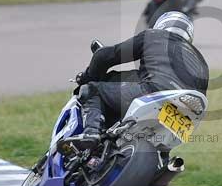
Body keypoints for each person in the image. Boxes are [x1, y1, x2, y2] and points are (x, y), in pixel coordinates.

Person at [74, 11, 208, 151]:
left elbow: (105, 56)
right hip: (184, 114)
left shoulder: (154, 35)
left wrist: (87, 77)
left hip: (154, 92)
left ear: (161, 25)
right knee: (162, 150)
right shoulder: (202, 62)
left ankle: (91, 133)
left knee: (92, 89)